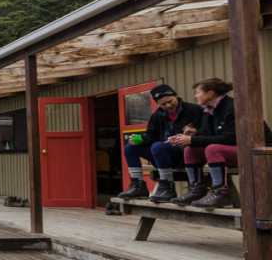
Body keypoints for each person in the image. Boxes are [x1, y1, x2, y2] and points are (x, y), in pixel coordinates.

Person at [167, 77, 272, 208]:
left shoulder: (233, 107)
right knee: (190, 150)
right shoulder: (209, 111)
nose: (195, 96)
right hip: (236, 150)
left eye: (198, 92)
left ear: (210, 93)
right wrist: (187, 137)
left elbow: (231, 138)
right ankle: (196, 190)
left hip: (259, 151)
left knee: (213, 149)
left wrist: (193, 139)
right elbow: (206, 135)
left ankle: (221, 193)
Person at [117, 84, 204, 203]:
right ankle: (138, 185)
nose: (168, 105)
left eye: (170, 101)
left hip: (185, 153)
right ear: (158, 104)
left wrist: (193, 133)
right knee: (129, 148)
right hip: (161, 154)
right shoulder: (157, 115)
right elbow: (151, 136)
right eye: (163, 104)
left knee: (158, 146)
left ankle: (167, 186)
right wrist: (141, 138)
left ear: (175, 96)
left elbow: (207, 131)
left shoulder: (194, 110)